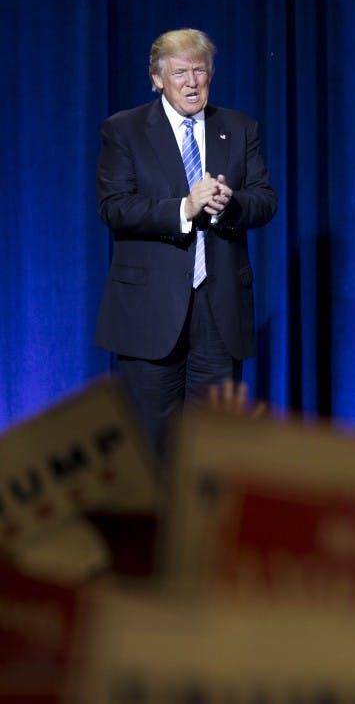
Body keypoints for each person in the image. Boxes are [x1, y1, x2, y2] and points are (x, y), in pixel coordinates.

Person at [94, 29, 277, 465]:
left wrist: (226, 206)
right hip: (150, 310)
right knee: (151, 447)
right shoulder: (125, 129)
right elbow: (115, 207)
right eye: (180, 73)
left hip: (219, 309)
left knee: (215, 447)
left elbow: (264, 201)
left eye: (200, 71)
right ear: (157, 79)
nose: (192, 83)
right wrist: (184, 207)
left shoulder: (238, 127)